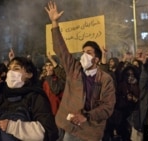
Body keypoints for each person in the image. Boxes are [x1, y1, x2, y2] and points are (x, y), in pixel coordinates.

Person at [45, 1, 116, 141]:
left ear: (96, 58)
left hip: (91, 131)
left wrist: (87, 116)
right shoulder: (74, 70)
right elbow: (61, 51)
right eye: (83, 52)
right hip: (70, 128)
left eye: (88, 52)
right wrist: (54, 23)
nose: (84, 55)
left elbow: (107, 107)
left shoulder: (105, 79)